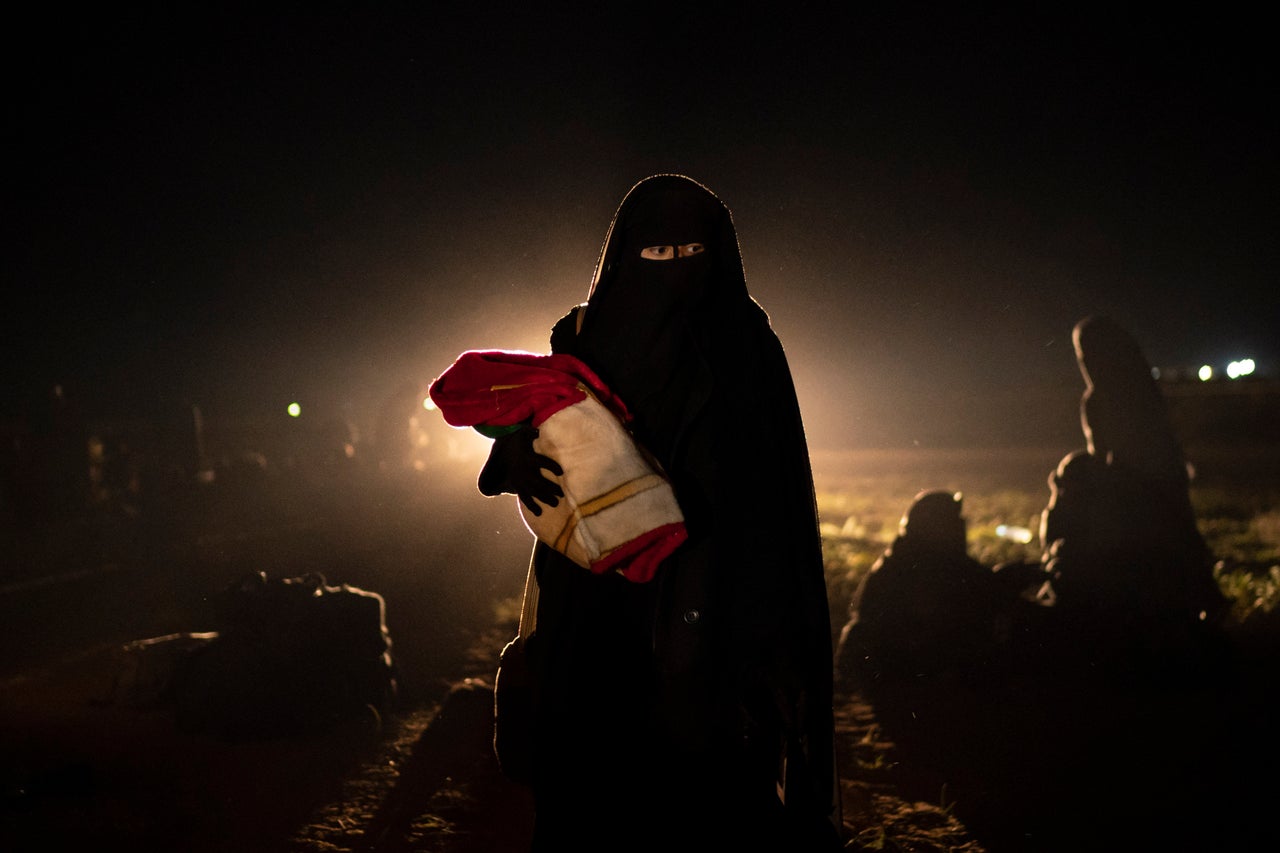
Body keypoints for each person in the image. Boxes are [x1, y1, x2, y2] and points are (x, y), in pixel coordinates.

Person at [475, 174, 841, 850]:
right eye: (655, 254)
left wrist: (777, 640)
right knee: (591, 802)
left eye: (690, 252)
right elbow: (540, 425)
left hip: (715, 616)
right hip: (592, 617)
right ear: (621, 257)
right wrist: (516, 453)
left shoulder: (748, 345)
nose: (672, 272)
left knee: (700, 809)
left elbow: (776, 493)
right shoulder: (581, 335)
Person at [1037, 315, 1229, 677]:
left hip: (1139, 489)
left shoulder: (1110, 399)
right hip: (1143, 485)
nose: (1085, 361)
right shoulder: (1125, 394)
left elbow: (1114, 457)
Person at [835, 490, 1014, 688]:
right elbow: (971, 590)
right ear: (937, 526)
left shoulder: (917, 553)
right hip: (904, 662)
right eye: (953, 520)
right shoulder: (922, 563)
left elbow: (976, 577)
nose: (960, 524)